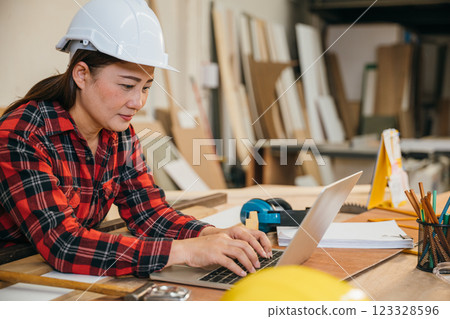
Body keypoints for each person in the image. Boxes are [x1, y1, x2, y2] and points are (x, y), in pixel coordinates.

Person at [0, 0, 271, 278]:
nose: (138, 102)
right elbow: (64, 245)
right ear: (81, 74)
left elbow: (149, 212)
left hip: (54, 272)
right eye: (127, 86)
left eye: (146, 88)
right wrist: (186, 251)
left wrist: (213, 234)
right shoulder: (22, 136)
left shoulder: (118, 134)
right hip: (12, 277)